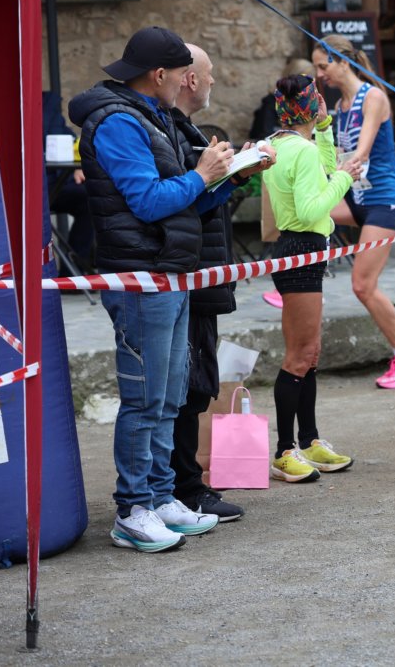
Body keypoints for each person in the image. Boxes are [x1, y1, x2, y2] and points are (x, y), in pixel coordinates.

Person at [68, 26, 243, 552]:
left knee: (168, 397)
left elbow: (183, 203)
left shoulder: (152, 115)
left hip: (167, 270)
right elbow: (147, 202)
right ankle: (132, 510)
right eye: (183, 74)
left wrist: (230, 176)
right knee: (144, 400)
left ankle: (162, 497)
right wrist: (202, 174)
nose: (188, 83)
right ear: (160, 74)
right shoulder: (118, 121)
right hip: (140, 275)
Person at [168, 44, 275, 521]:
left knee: (197, 383)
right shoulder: (170, 132)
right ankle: (184, 489)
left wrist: (236, 172)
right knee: (187, 387)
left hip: (203, 274)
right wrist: (219, 173)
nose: (213, 81)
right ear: (190, 79)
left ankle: (184, 485)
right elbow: (182, 203)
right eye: (209, 74)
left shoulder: (185, 130)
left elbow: (201, 200)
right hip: (187, 275)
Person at [311, 34, 395, 390]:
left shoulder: (372, 97)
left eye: (323, 66)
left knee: (363, 285)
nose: (319, 74)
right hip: (356, 197)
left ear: (343, 61)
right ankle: (305, 280)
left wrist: (335, 171)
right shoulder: (340, 106)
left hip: (383, 200)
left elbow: (360, 154)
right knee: (307, 213)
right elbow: (333, 156)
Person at [262, 73, 361, 482]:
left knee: (309, 353)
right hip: (302, 250)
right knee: (300, 355)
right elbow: (310, 208)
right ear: (313, 102)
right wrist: (346, 177)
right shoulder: (299, 151)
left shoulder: (279, 144)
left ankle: (309, 440)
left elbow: (320, 170)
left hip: (297, 250)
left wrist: (324, 129)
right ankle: (285, 450)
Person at [43, 90, 95, 272]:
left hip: (54, 183)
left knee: (93, 196)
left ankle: (73, 271)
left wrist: (78, 164)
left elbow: (69, 139)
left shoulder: (46, 103)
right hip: (18, 191)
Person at [249, 58, 315, 142]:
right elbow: (265, 136)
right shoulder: (271, 102)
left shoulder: (307, 103)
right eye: (306, 83)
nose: (309, 88)